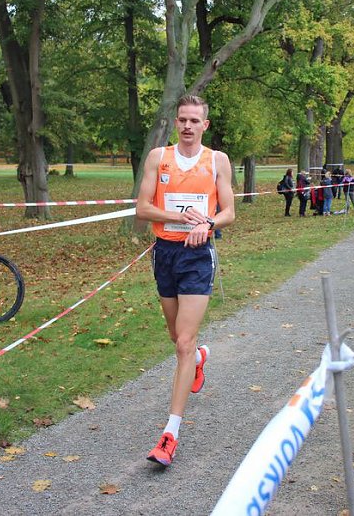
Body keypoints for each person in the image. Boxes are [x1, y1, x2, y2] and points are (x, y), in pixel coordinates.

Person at [135, 94, 236, 466]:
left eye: (195, 120)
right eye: (183, 120)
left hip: (198, 256)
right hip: (165, 253)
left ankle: (169, 434)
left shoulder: (217, 161)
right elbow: (143, 208)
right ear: (176, 123)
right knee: (177, 337)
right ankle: (198, 358)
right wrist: (179, 219)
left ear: (205, 124)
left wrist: (207, 222)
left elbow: (229, 212)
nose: (188, 126)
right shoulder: (157, 158)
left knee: (183, 343)